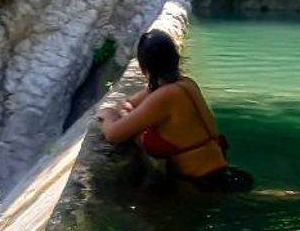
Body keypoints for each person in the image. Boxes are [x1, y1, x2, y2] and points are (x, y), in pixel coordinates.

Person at [97, 29, 254, 193]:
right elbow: (132, 102)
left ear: (144, 69)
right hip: (218, 175)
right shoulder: (185, 84)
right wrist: (128, 113)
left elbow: (113, 135)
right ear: (175, 60)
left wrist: (108, 115)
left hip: (200, 186)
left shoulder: (165, 96)